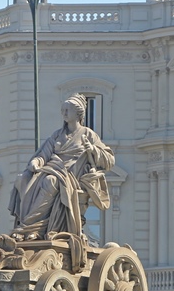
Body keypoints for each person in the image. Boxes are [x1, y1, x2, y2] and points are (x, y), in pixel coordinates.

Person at [9, 93, 115, 244]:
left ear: (78, 113)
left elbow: (109, 159)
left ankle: (30, 227)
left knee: (50, 181)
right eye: (63, 109)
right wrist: (36, 162)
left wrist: (92, 149)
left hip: (72, 176)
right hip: (53, 169)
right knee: (23, 178)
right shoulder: (57, 135)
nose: (64, 113)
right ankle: (30, 227)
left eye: (68, 110)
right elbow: (44, 154)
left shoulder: (88, 134)